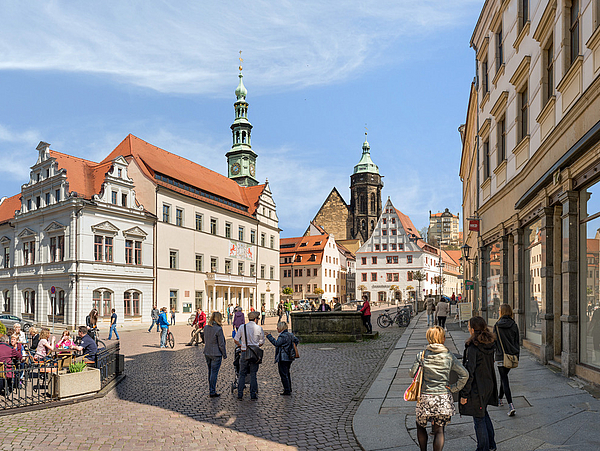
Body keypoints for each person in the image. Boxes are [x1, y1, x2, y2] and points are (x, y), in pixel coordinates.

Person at [410, 326, 469, 451]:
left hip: (425, 397)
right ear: (443, 339)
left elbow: (412, 373)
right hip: (443, 398)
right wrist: (454, 388)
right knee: (439, 430)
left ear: (429, 338)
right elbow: (465, 374)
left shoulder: (422, 355)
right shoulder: (449, 356)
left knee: (420, 426)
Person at [459, 316, 498, 451]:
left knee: (479, 419)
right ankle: (491, 445)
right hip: (488, 385)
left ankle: (483, 448)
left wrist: (464, 394)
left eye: (469, 326)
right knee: (484, 414)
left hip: (478, 388)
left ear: (473, 329)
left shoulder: (473, 349)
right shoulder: (488, 344)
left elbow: (469, 373)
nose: (468, 328)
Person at [494, 303, 520, 417]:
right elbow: (517, 342)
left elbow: (494, 342)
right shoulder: (514, 325)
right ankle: (500, 399)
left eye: (499, 310)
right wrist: (517, 355)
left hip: (500, 356)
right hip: (511, 356)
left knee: (504, 379)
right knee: (504, 377)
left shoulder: (497, 325)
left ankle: (511, 405)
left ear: (502, 312)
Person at [234, 311, 265, 400]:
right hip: (254, 354)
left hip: (244, 352)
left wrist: (241, 345)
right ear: (255, 319)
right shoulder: (259, 328)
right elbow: (262, 342)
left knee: (242, 373)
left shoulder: (242, 327)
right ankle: (253, 394)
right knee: (253, 374)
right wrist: (255, 346)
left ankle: (240, 394)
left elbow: (236, 339)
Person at [266, 321, 299, 395]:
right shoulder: (290, 334)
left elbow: (276, 343)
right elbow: (296, 340)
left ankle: (287, 390)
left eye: (278, 327)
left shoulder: (282, 336)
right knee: (287, 373)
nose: (277, 328)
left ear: (281, 328)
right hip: (289, 356)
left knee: (283, 374)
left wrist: (269, 336)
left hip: (283, 357)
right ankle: (289, 388)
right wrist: (291, 347)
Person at [203, 311, 227, 397]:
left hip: (207, 352)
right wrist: (224, 354)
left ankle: (211, 389)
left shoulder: (206, 327)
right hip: (216, 353)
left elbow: (205, 340)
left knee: (210, 371)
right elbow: (221, 344)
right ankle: (212, 391)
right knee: (214, 373)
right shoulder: (218, 329)